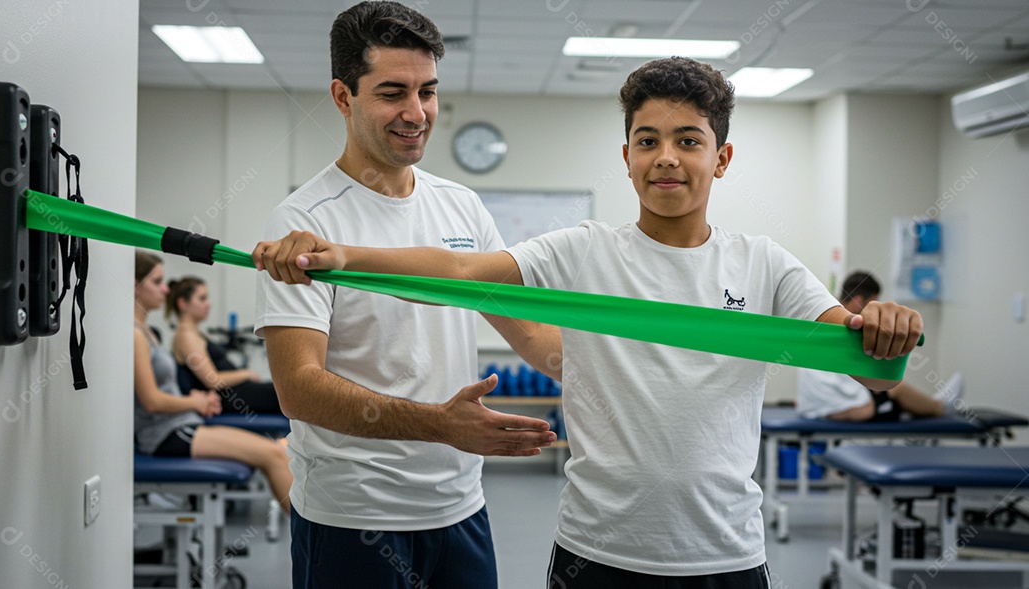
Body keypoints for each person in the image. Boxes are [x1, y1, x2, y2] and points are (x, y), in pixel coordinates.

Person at [254, 57, 924, 588]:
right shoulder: (581, 250)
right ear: (626, 155)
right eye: (648, 139)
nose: (666, 156)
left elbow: (861, 356)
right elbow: (457, 272)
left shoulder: (764, 263)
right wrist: (342, 255)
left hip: (726, 553)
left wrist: (885, 325)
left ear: (721, 157)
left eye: (688, 140)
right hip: (596, 553)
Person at [252, 3, 561, 588]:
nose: (416, 113)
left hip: (460, 509)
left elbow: (535, 338)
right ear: (343, 97)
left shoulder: (461, 206)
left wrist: (655, 361)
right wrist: (440, 425)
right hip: (352, 519)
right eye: (393, 93)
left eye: (428, 91)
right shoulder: (303, 220)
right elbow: (298, 389)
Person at [134, 251, 292, 512]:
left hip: (183, 424)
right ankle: (309, 541)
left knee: (276, 451)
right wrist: (195, 401)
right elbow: (151, 401)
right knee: (274, 454)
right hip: (166, 435)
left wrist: (197, 402)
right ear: (135, 285)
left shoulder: (149, 333)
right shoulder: (136, 335)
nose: (165, 290)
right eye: (157, 282)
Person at [796, 270, 963, 421]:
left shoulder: (821, 318)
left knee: (886, 388)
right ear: (858, 301)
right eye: (873, 303)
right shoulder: (845, 330)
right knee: (894, 387)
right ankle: (941, 407)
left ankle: (938, 405)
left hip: (810, 408)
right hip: (847, 409)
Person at [166, 276, 282, 415]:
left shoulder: (195, 333)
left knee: (285, 389)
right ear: (183, 303)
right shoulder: (186, 337)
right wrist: (246, 374)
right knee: (287, 394)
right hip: (232, 398)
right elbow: (212, 380)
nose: (208, 304)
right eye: (202, 299)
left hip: (238, 392)